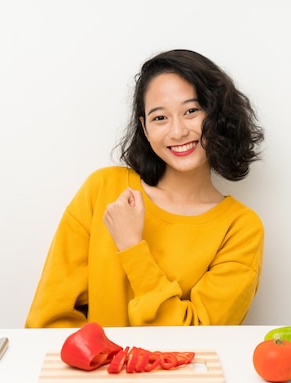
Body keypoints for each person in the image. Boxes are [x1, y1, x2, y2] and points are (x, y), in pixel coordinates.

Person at [25, 49, 265, 328]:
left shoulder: (240, 228)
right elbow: (49, 318)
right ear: (145, 127)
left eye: (191, 111)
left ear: (217, 114)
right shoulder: (103, 189)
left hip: (176, 374)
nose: (177, 132)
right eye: (160, 118)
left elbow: (200, 336)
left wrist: (132, 248)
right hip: (92, 371)